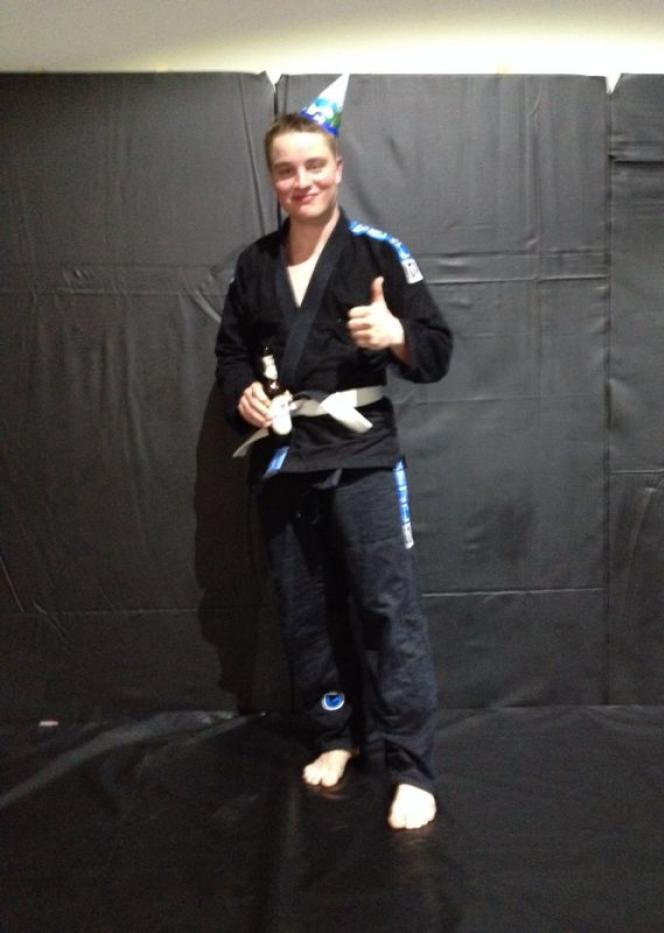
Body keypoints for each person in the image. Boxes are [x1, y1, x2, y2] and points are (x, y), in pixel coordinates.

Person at [215, 77, 452, 830]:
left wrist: (398, 336)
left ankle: (411, 764)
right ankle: (336, 733)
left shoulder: (379, 253)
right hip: (287, 459)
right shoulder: (254, 265)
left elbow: (437, 351)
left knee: (387, 608)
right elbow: (230, 353)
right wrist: (244, 394)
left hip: (363, 456)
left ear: (338, 168)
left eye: (314, 165)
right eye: (286, 169)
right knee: (305, 610)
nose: (302, 181)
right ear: (272, 179)